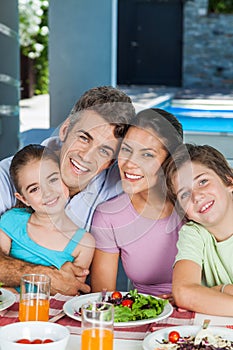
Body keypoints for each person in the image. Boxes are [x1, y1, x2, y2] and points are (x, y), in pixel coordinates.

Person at [0, 85, 135, 295]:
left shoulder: (118, 186)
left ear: (110, 162)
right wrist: (46, 276)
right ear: (65, 130)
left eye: (104, 150)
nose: (87, 156)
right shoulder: (7, 175)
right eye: (84, 138)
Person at [90, 108, 184, 298]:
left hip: (206, 310)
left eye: (147, 155)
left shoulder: (194, 206)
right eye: (126, 149)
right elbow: (103, 297)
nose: (130, 163)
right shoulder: (110, 216)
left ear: (169, 161)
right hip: (146, 313)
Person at [0, 144, 95, 293]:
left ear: (64, 177)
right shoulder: (10, 221)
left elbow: (70, 291)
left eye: (52, 180)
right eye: (34, 189)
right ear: (24, 199)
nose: (48, 192)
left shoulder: (84, 242)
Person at [164, 143, 233, 316]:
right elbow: (184, 293)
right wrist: (225, 289)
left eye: (203, 182)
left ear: (229, 181)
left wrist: (220, 290)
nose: (197, 196)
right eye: (185, 194)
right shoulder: (193, 233)